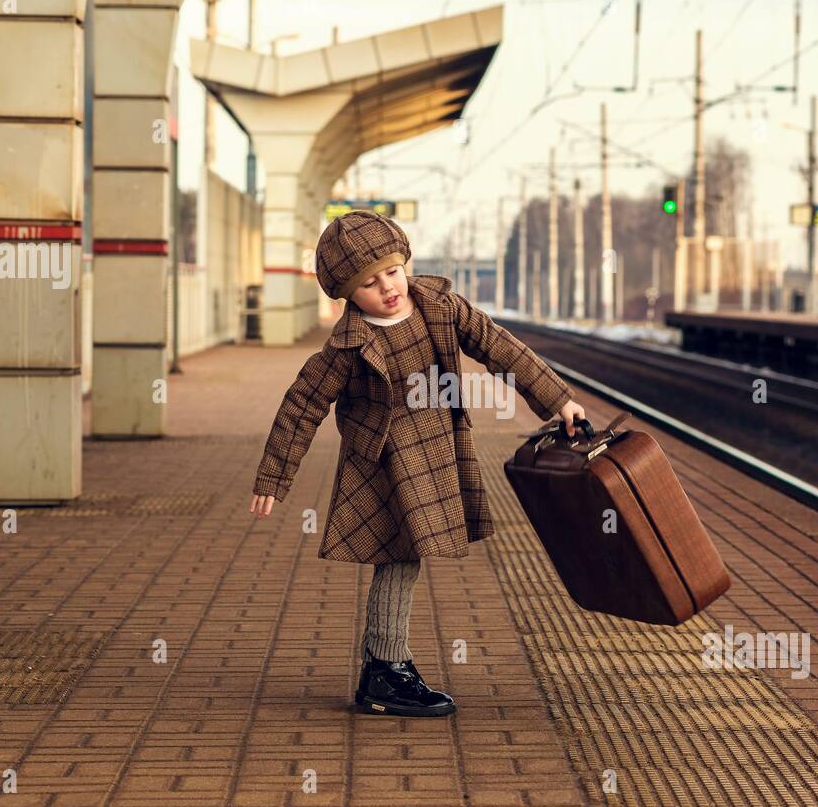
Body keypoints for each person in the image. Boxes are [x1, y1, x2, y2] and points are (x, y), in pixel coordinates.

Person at [249, 210, 586, 717]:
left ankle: (386, 669)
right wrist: (275, 475)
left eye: (391, 270)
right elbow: (302, 405)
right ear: (346, 294)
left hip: (437, 453)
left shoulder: (441, 308)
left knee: (404, 558)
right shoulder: (345, 347)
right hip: (381, 462)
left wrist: (558, 401)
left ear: (404, 260)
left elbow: (501, 349)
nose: (386, 287)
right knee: (400, 557)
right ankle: (385, 671)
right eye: (367, 283)